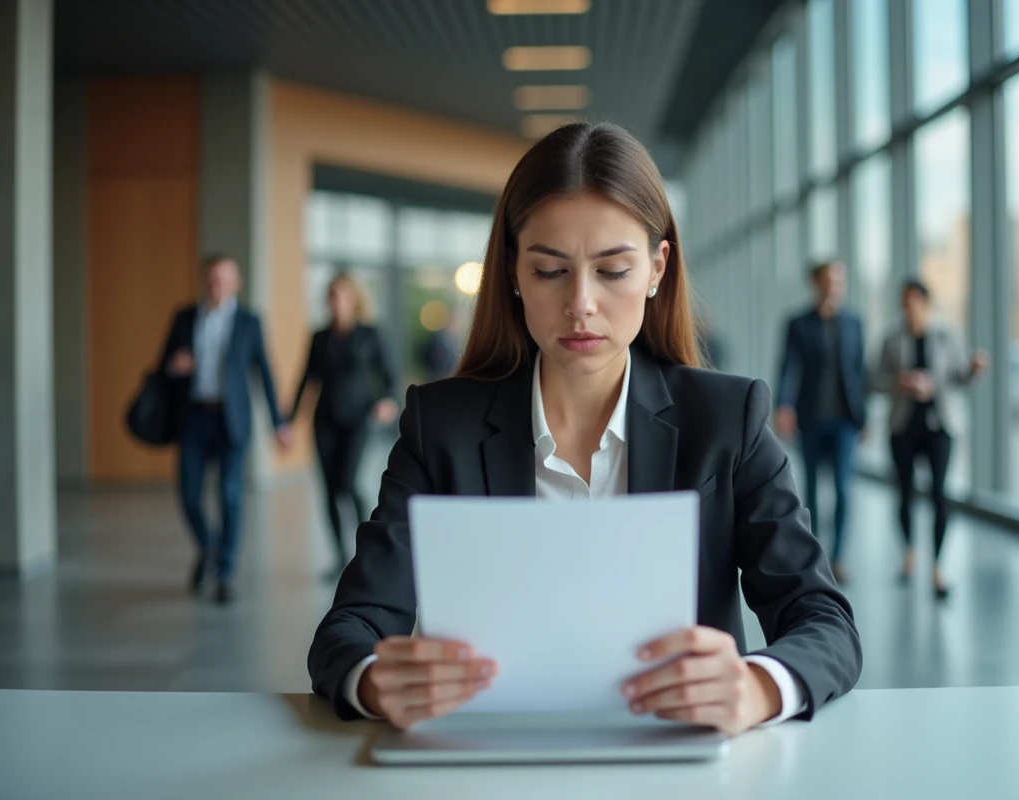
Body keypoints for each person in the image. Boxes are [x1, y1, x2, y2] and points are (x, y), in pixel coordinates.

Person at [308, 122, 861, 736]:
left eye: (612, 270)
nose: (581, 303)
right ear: (513, 271)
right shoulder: (441, 426)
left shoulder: (727, 422)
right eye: (550, 271)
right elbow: (349, 628)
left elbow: (823, 620)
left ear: (657, 268)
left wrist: (758, 686)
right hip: (487, 767)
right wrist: (373, 679)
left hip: (679, 768)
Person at [156, 253, 291, 604]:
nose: (218, 286)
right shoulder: (184, 318)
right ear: (204, 280)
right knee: (188, 496)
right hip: (194, 417)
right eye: (212, 279)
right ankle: (210, 548)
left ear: (236, 283)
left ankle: (226, 572)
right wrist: (175, 365)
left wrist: (279, 423)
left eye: (224, 279)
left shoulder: (248, 321)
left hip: (232, 419)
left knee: (230, 496)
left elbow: (264, 371)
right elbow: (162, 368)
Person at [873, 279, 989, 600]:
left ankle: (937, 565)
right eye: (903, 301)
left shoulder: (947, 335)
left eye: (912, 300)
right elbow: (874, 379)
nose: (907, 307)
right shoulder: (891, 338)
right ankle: (910, 549)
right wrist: (900, 382)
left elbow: (959, 378)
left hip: (940, 425)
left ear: (925, 302)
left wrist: (974, 370)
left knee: (939, 492)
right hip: (903, 425)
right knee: (905, 491)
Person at [289, 273, 398, 582]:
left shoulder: (370, 334)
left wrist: (388, 400)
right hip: (324, 421)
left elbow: (389, 374)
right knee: (327, 491)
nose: (336, 302)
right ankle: (339, 556)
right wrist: (288, 421)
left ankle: (368, 548)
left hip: (358, 420)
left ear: (354, 299)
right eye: (332, 296)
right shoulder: (320, 336)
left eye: (342, 296)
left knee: (347, 484)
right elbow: (307, 379)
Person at [773, 261, 867, 584]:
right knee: (811, 489)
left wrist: (864, 417)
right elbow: (788, 367)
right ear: (815, 283)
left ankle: (839, 557)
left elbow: (859, 372)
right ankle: (817, 556)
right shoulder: (798, 324)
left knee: (843, 488)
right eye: (829, 280)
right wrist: (783, 405)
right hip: (811, 418)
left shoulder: (854, 323)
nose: (835, 286)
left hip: (845, 420)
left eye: (839, 280)